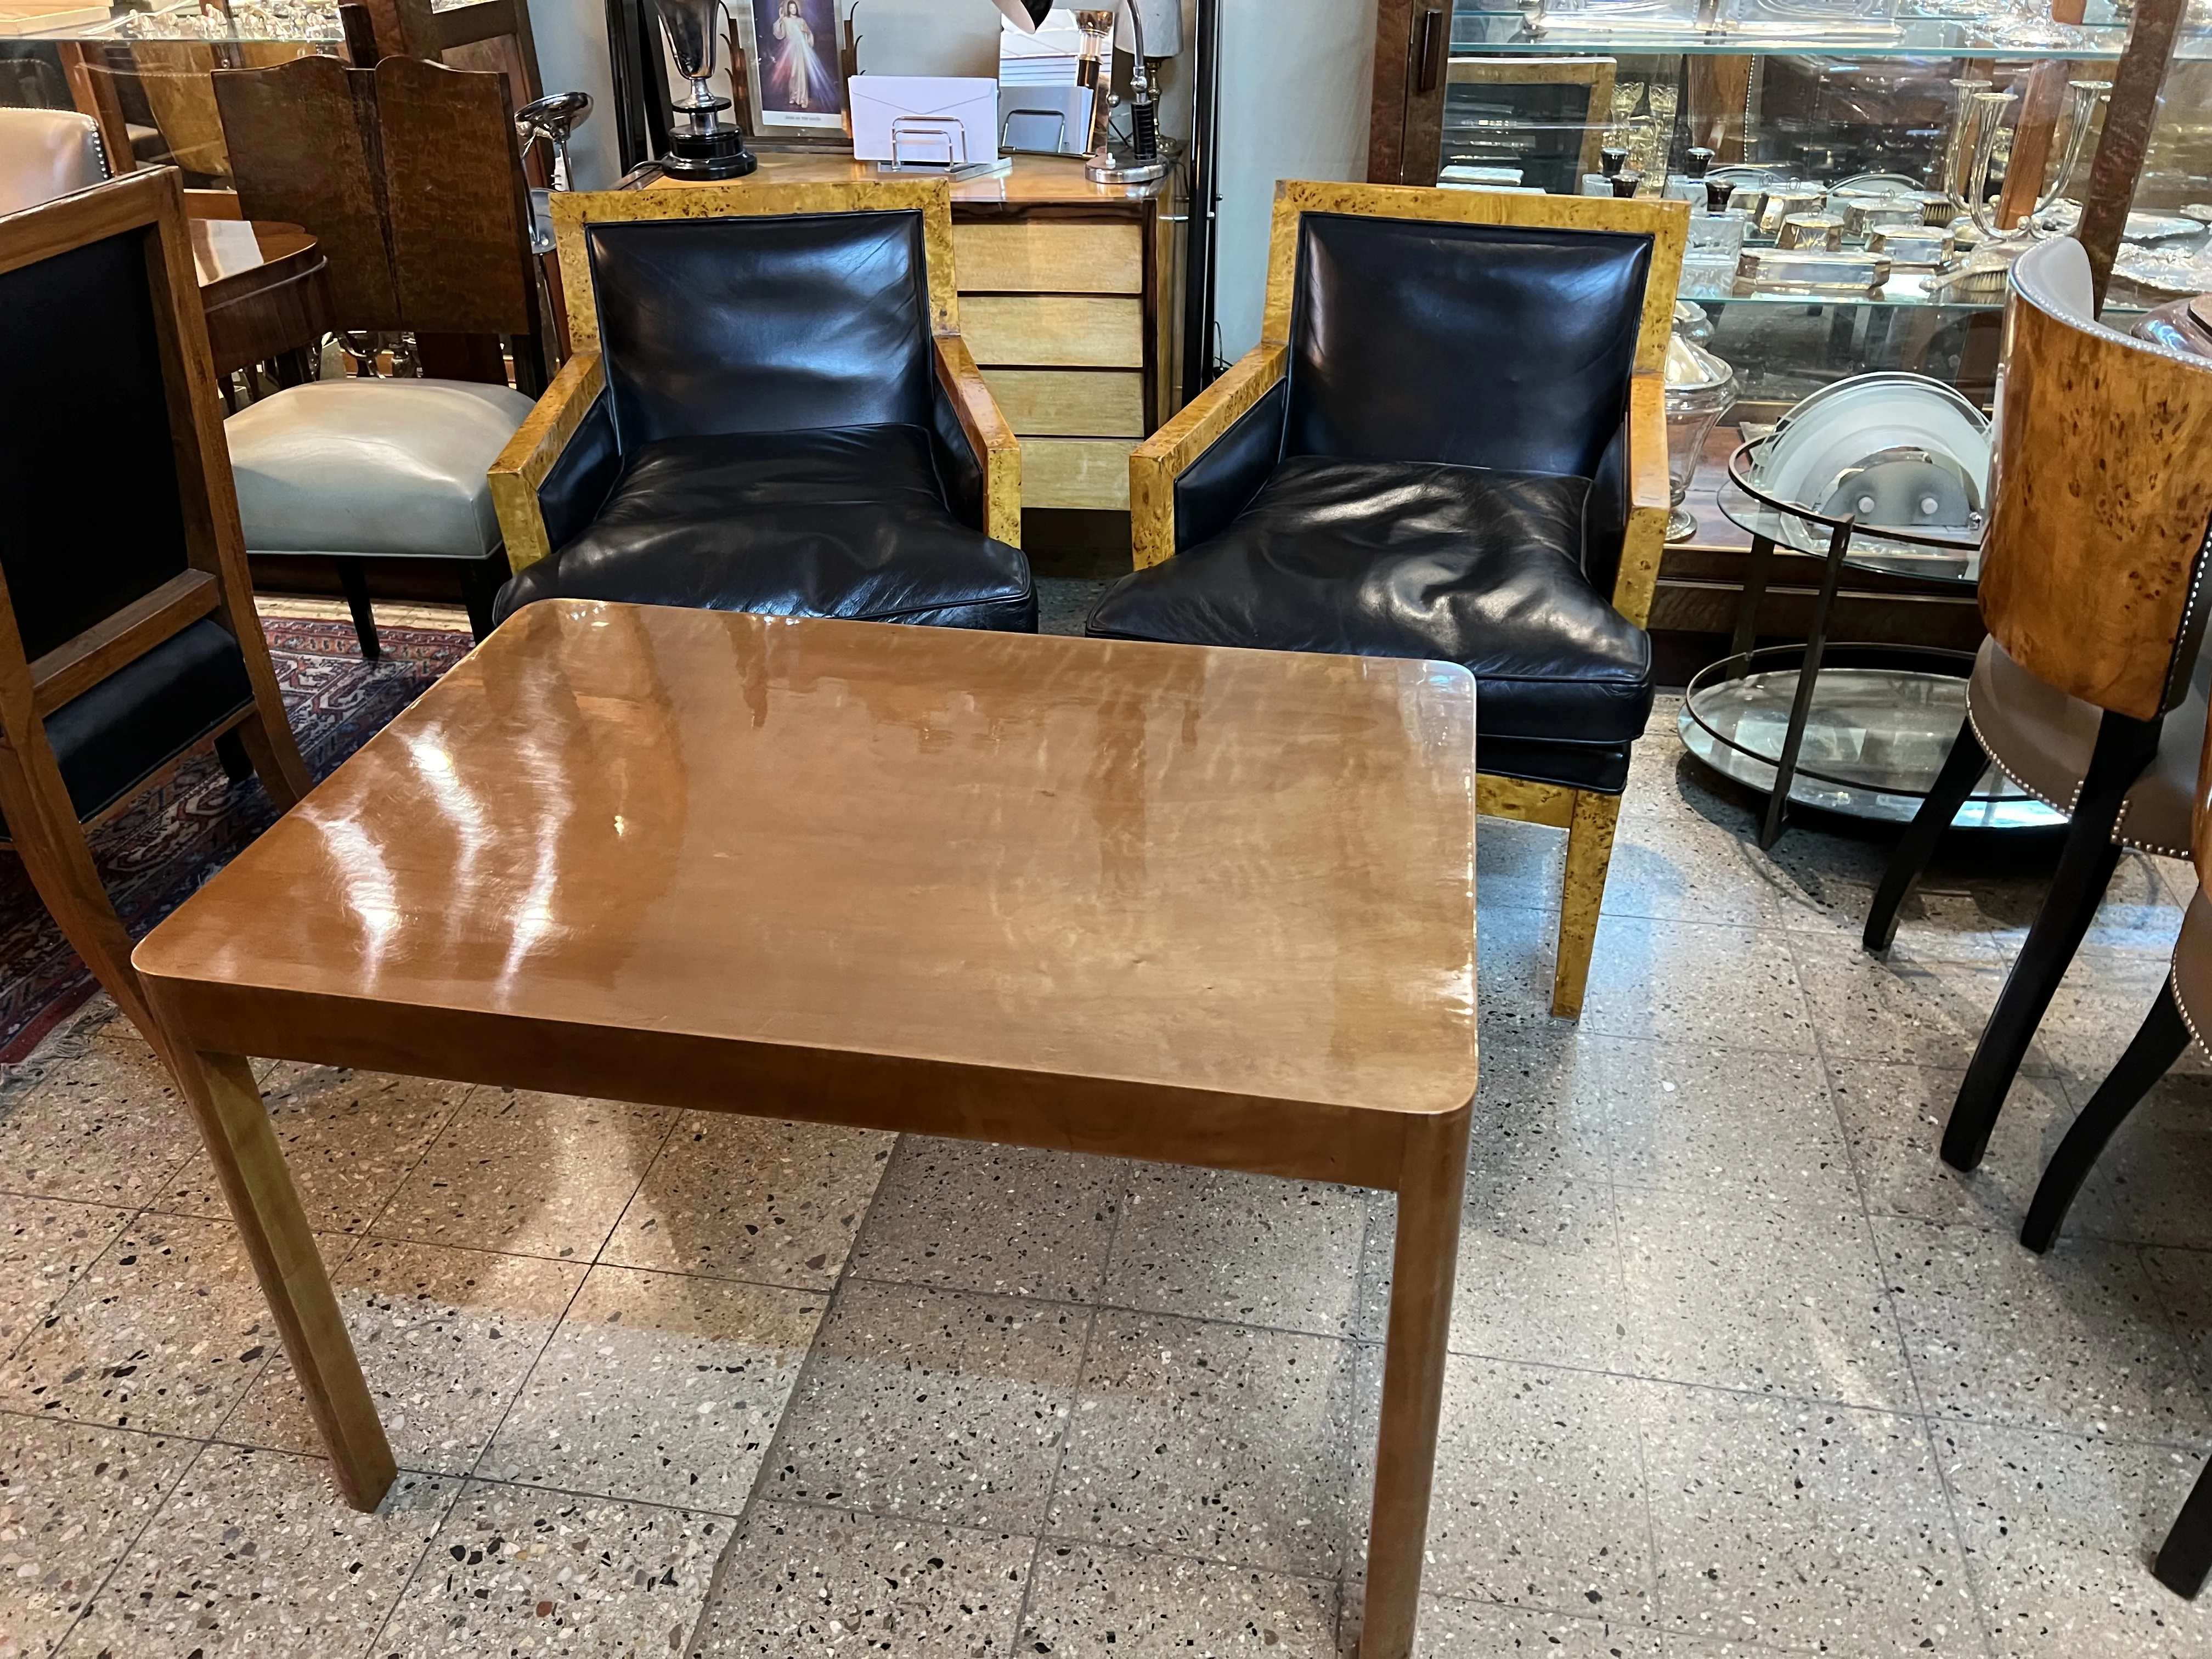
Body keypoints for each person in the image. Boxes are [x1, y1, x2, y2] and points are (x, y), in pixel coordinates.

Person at [771, 0, 836, 113]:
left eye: (794, 7)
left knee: (802, 73)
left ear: (797, 9)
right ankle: (793, 96)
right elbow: (780, 34)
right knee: (793, 74)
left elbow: (808, 34)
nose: (793, 10)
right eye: (791, 8)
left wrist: (805, 32)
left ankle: (802, 98)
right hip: (790, 49)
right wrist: (780, 19)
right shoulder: (786, 20)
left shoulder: (801, 21)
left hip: (801, 48)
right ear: (788, 9)